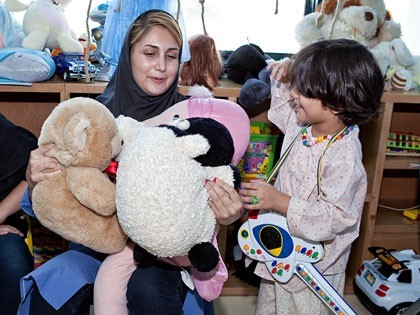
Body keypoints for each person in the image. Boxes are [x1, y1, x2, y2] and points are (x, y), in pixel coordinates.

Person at [21, 9, 245, 315]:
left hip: (169, 252)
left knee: (149, 289)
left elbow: (222, 187)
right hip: (100, 245)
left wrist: (230, 212)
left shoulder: (194, 121)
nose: (162, 67)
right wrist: (37, 176)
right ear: (129, 56)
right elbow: (48, 201)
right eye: (150, 53)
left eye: (171, 55)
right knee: (52, 289)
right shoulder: (94, 119)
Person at [239, 39, 384, 315]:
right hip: (281, 257)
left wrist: (280, 201)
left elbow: (334, 218)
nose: (294, 94)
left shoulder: (345, 156)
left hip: (315, 274)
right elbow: (282, 105)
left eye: (304, 90)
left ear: (338, 103)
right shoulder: (302, 124)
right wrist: (285, 74)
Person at [0, 113, 37, 315]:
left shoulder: (8, 137)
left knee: (13, 260)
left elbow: (34, 172)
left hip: (3, 227)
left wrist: (1, 211)